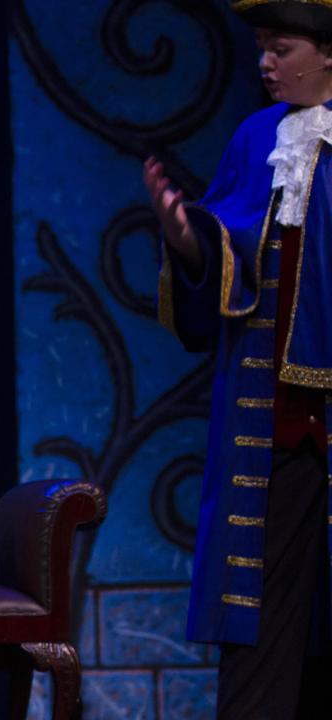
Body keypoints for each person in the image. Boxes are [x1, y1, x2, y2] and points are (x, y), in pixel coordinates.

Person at [145, 1, 332, 715]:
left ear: (327, 52)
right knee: (256, 603)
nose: (266, 62)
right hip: (270, 421)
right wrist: (185, 234)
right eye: (260, 48)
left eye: (281, 48)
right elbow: (227, 253)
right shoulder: (257, 138)